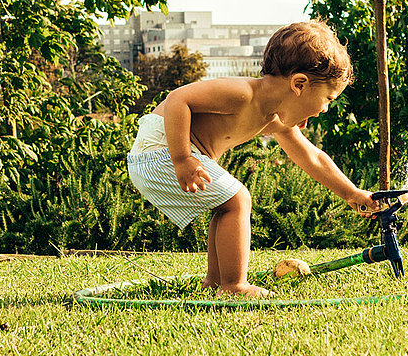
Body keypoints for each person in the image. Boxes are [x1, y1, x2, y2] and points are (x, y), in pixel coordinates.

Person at [127, 20, 378, 298]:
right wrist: (182, 158)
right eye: (328, 98)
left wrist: (352, 193)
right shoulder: (243, 95)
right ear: (299, 84)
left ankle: (215, 282)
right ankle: (234, 286)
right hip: (160, 150)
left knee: (225, 205)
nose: (325, 109)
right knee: (238, 200)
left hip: (166, 154)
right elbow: (177, 100)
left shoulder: (275, 119)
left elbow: (312, 157)